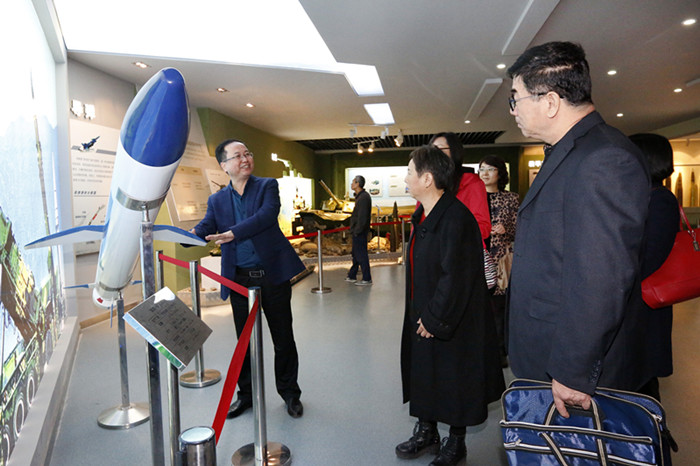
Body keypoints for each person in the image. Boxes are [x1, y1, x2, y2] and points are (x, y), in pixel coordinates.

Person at [506, 41, 650, 418]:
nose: (513, 109)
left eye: (516, 98)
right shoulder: (572, 151)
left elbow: (601, 276)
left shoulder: (604, 158)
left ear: (550, 102)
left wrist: (573, 371)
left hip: (572, 373)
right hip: (547, 349)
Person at [397, 146, 504, 466]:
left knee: (454, 377)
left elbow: (456, 277)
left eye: (409, 172)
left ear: (427, 179)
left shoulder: (456, 218)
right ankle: (427, 430)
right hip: (424, 309)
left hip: (451, 317)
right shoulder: (424, 215)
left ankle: (456, 442)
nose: (406, 178)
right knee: (425, 371)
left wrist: (433, 318)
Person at [190, 138, 305, 419]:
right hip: (239, 280)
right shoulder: (217, 200)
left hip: (272, 276)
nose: (245, 159)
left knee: (283, 338)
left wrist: (233, 233)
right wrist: (185, 235)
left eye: (248, 153)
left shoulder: (267, 186)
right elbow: (206, 226)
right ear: (224, 165)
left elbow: (266, 216)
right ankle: (246, 395)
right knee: (244, 342)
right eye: (237, 156)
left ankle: (290, 394)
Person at [630, 133, 680, 401]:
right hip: (639, 302)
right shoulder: (643, 196)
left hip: (646, 303)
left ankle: (649, 427)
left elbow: (650, 257)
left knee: (643, 385)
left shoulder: (660, 199)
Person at [479, 154, 519, 365]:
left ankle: (500, 352)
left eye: (490, 169)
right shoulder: (474, 198)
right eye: (482, 169)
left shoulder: (511, 198)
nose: (485, 174)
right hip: (478, 258)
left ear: (500, 173)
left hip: (501, 260)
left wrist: (507, 229)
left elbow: (520, 230)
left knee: (499, 309)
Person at [429, 132, 491, 243]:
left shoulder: (472, 183)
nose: (435, 154)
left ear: (454, 151)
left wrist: (450, 233)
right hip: (433, 250)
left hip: (460, 250)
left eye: (440, 149)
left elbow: (483, 228)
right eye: (432, 149)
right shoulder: (428, 182)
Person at [345, 175, 373, 285]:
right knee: (356, 254)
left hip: (360, 232)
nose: (351, 184)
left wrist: (357, 230)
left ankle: (367, 278)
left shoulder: (364, 198)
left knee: (361, 255)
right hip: (357, 231)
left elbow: (362, 217)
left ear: (358, 184)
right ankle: (352, 275)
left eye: (353, 182)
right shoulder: (360, 197)